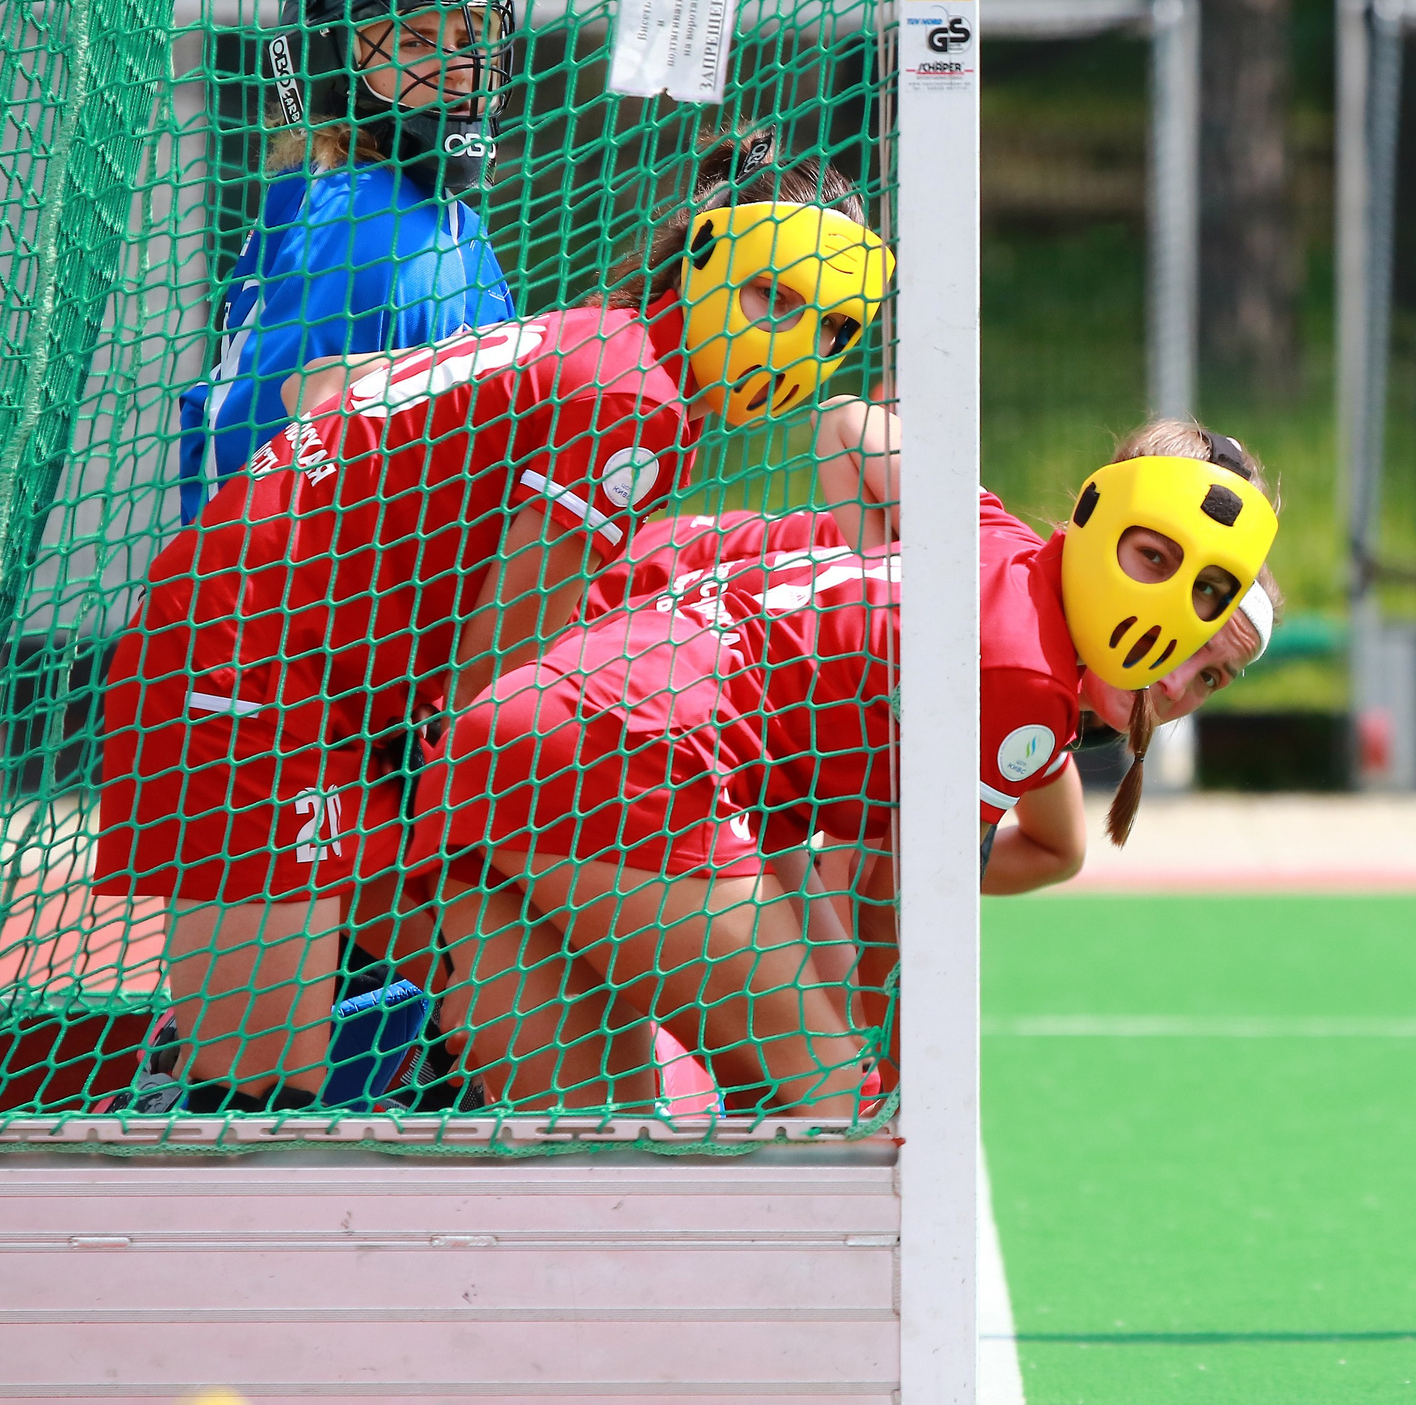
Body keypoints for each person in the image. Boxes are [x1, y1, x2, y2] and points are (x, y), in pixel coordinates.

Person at [93, 129, 892, 1116]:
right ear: (703, 255)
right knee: (251, 1103)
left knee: (527, 1027)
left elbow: (327, 397)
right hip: (242, 671)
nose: (796, 348)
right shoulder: (633, 401)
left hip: (320, 682)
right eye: (773, 298)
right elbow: (501, 681)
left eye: (831, 328)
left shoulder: (608, 345)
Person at [407, 420, 1282, 1115]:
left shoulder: (996, 535)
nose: (1177, 676)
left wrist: (875, 566)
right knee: (836, 1114)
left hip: (527, 725)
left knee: (595, 1144)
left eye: (1211, 672)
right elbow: (895, 905)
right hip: (629, 751)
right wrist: (904, 1094)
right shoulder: (1023, 683)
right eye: (1156, 562)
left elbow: (848, 425)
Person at [180, 0, 521, 522]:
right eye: (416, 42)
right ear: (333, 66)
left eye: (471, 40)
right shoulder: (376, 221)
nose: (461, 68)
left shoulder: (397, 202)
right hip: (290, 595)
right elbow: (308, 441)